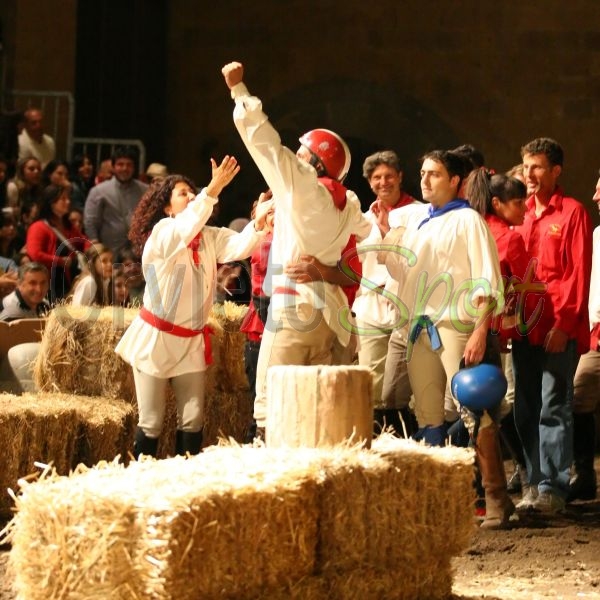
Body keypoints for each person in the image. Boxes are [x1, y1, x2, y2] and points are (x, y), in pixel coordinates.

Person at [222, 60, 372, 439]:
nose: (297, 155)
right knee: (316, 408)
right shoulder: (349, 201)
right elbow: (374, 234)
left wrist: (240, 91)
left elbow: (267, 146)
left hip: (293, 308)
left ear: (314, 161)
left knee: (271, 407)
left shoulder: (303, 188)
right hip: (331, 318)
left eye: (303, 152)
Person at [380, 149, 508, 528]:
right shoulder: (420, 223)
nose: (425, 180)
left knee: (474, 406)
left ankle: (497, 498)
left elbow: (487, 278)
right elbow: (405, 277)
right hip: (420, 328)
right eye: (422, 173)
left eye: (434, 173)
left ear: (455, 180)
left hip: (456, 324)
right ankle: (438, 505)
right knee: (429, 416)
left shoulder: (468, 220)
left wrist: (481, 329)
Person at [115, 160, 270, 458]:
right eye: (183, 194)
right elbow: (185, 228)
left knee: (193, 418)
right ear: (167, 208)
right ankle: (139, 485)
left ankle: (186, 481)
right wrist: (211, 190)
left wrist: (260, 222)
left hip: (191, 340)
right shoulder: (163, 231)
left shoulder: (208, 237)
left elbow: (240, 246)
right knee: (151, 421)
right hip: (156, 339)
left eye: (192, 192)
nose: (190, 197)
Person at [512, 137, 592, 514]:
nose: (529, 173)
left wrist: (563, 324)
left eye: (537, 166)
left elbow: (578, 275)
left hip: (557, 328)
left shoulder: (573, 213)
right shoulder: (520, 213)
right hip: (524, 328)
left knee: (553, 406)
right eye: (526, 166)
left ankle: (553, 489)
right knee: (525, 408)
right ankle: (533, 481)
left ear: (556, 171)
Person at [353, 150, 419, 436]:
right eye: (377, 177)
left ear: (400, 177)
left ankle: (407, 440)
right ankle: (376, 439)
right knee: (371, 380)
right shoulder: (362, 220)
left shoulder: (418, 213)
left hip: (404, 307)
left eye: (389, 176)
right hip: (370, 309)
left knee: (404, 384)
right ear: (369, 183)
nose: (384, 182)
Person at [568, 170, 600, 502]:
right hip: (595, 335)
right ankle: (585, 474)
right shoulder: (597, 235)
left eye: (599, 191)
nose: (595, 197)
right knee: (579, 398)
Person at [26, 184, 90, 303]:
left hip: (67, 280)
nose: (68, 202)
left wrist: (91, 250)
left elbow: (83, 241)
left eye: (68, 198)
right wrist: (61, 261)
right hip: (48, 283)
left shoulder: (68, 226)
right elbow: (35, 254)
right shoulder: (38, 227)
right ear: (51, 203)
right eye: (63, 199)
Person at [84, 145, 148, 256]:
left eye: (129, 165)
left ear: (134, 168)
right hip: (109, 253)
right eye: (120, 164)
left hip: (138, 253)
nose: (124, 168)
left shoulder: (145, 190)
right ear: (113, 167)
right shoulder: (98, 191)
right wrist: (96, 248)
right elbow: (90, 222)